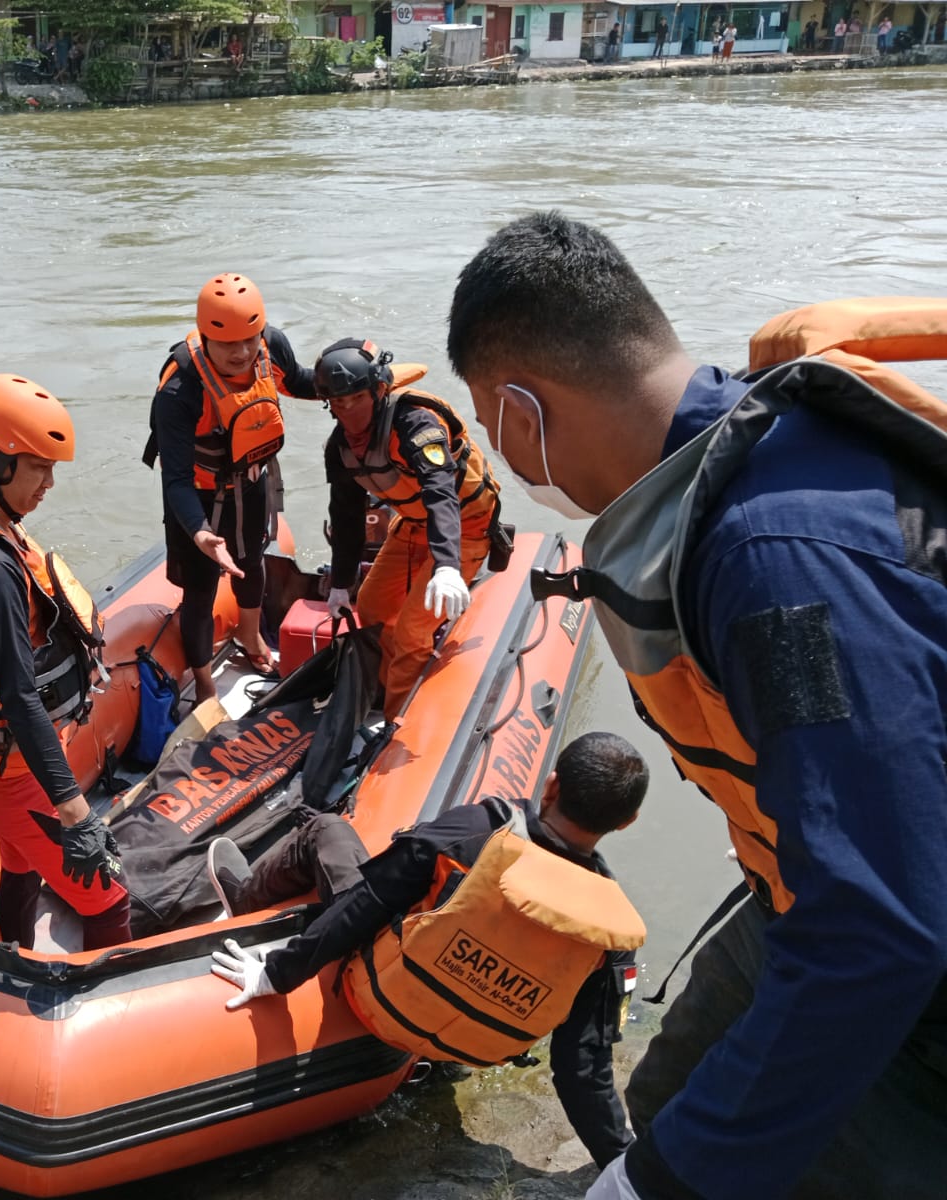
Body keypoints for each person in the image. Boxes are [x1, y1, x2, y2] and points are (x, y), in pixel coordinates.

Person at [446, 211, 947, 1199]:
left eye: (487, 421)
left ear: (515, 409)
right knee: (671, 1095)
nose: (500, 455)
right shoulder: (742, 448)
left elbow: (882, 929)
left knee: (700, 1162)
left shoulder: (775, 558)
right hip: (800, 890)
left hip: (903, 967)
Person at [207, 732, 649, 1169]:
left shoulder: (473, 832)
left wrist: (276, 973)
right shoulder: (609, 934)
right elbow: (583, 1068)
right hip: (469, 1047)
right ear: (626, 822)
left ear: (551, 785)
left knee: (327, 829)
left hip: (380, 997)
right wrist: (623, 1164)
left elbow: (368, 903)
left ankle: (246, 898)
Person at [0, 374, 130, 950]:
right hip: (9, 776)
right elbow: (19, 696)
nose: (50, 483)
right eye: (39, 467)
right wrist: (77, 814)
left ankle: (20, 955)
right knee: (108, 902)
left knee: (20, 865)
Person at [143, 274, 317, 703]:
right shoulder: (180, 389)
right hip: (198, 498)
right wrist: (202, 533)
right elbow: (176, 479)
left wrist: (353, 383)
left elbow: (297, 381)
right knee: (200, 591)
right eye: (227, 345)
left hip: (252, 482)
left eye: (249, 340)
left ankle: (252, 636)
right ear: (205, 338)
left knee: (253, 563)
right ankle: (204, 682)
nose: (241, 353)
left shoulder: (270, 346)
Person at [314, 338, 503, 717]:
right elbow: (346, 516)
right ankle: (384, 689)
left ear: (379, 390)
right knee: (369, 606)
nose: (349, 412)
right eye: (339, 403)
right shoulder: (341, 448)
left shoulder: (416, 423)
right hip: (413, 524)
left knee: (413, 631)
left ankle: (398, 720)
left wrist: (447, 566)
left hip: (463, 527)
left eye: (357, 399)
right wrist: (339, 583)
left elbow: (440, 492)